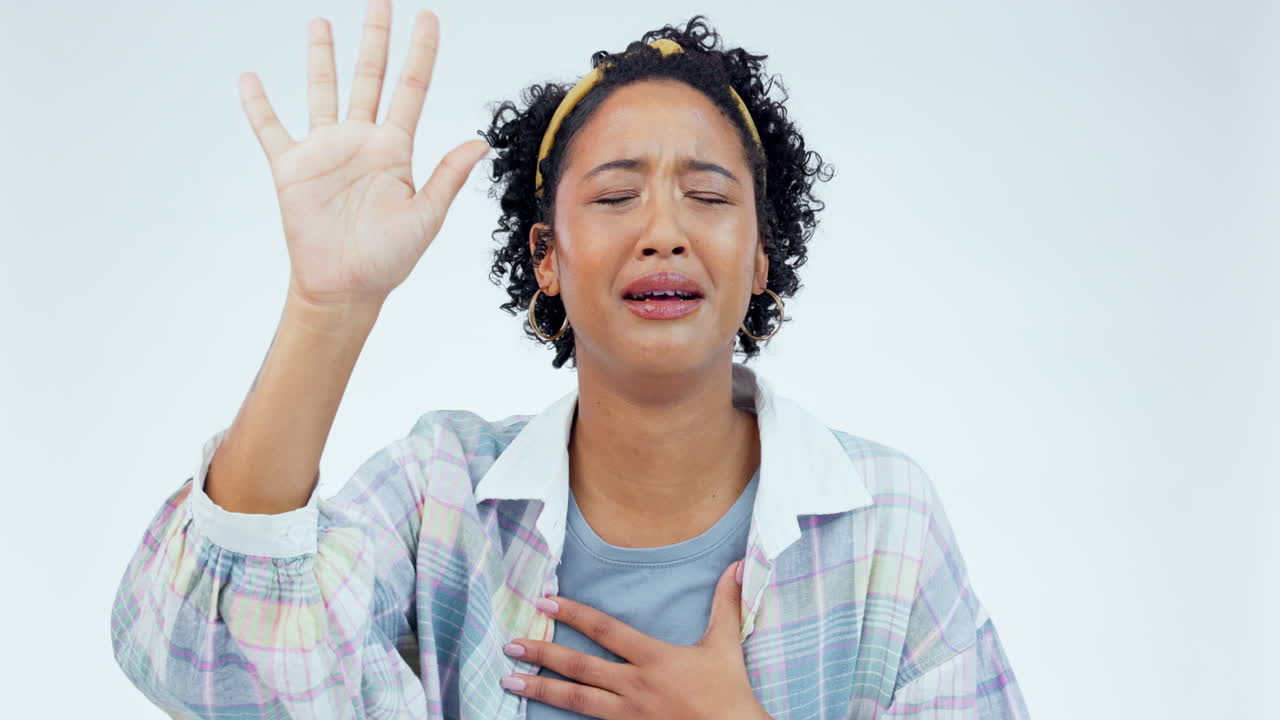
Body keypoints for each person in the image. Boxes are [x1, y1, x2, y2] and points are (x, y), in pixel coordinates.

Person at [110, 2, 1031, 718]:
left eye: (710, 196)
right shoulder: (442, 493)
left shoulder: (884, 523)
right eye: (617, 195)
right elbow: (205, 664)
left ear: (761, 257)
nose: (664, 231)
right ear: (546, 257)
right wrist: (327, 309)